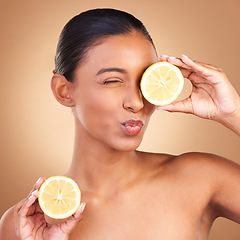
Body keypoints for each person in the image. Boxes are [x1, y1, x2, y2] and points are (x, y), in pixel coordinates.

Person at [0, 8, 240, 240]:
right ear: (64, 91)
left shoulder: (199, 178)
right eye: (113, 81)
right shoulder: (25, 223)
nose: (136, 102)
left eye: (146, 80)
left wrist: (234, 114)